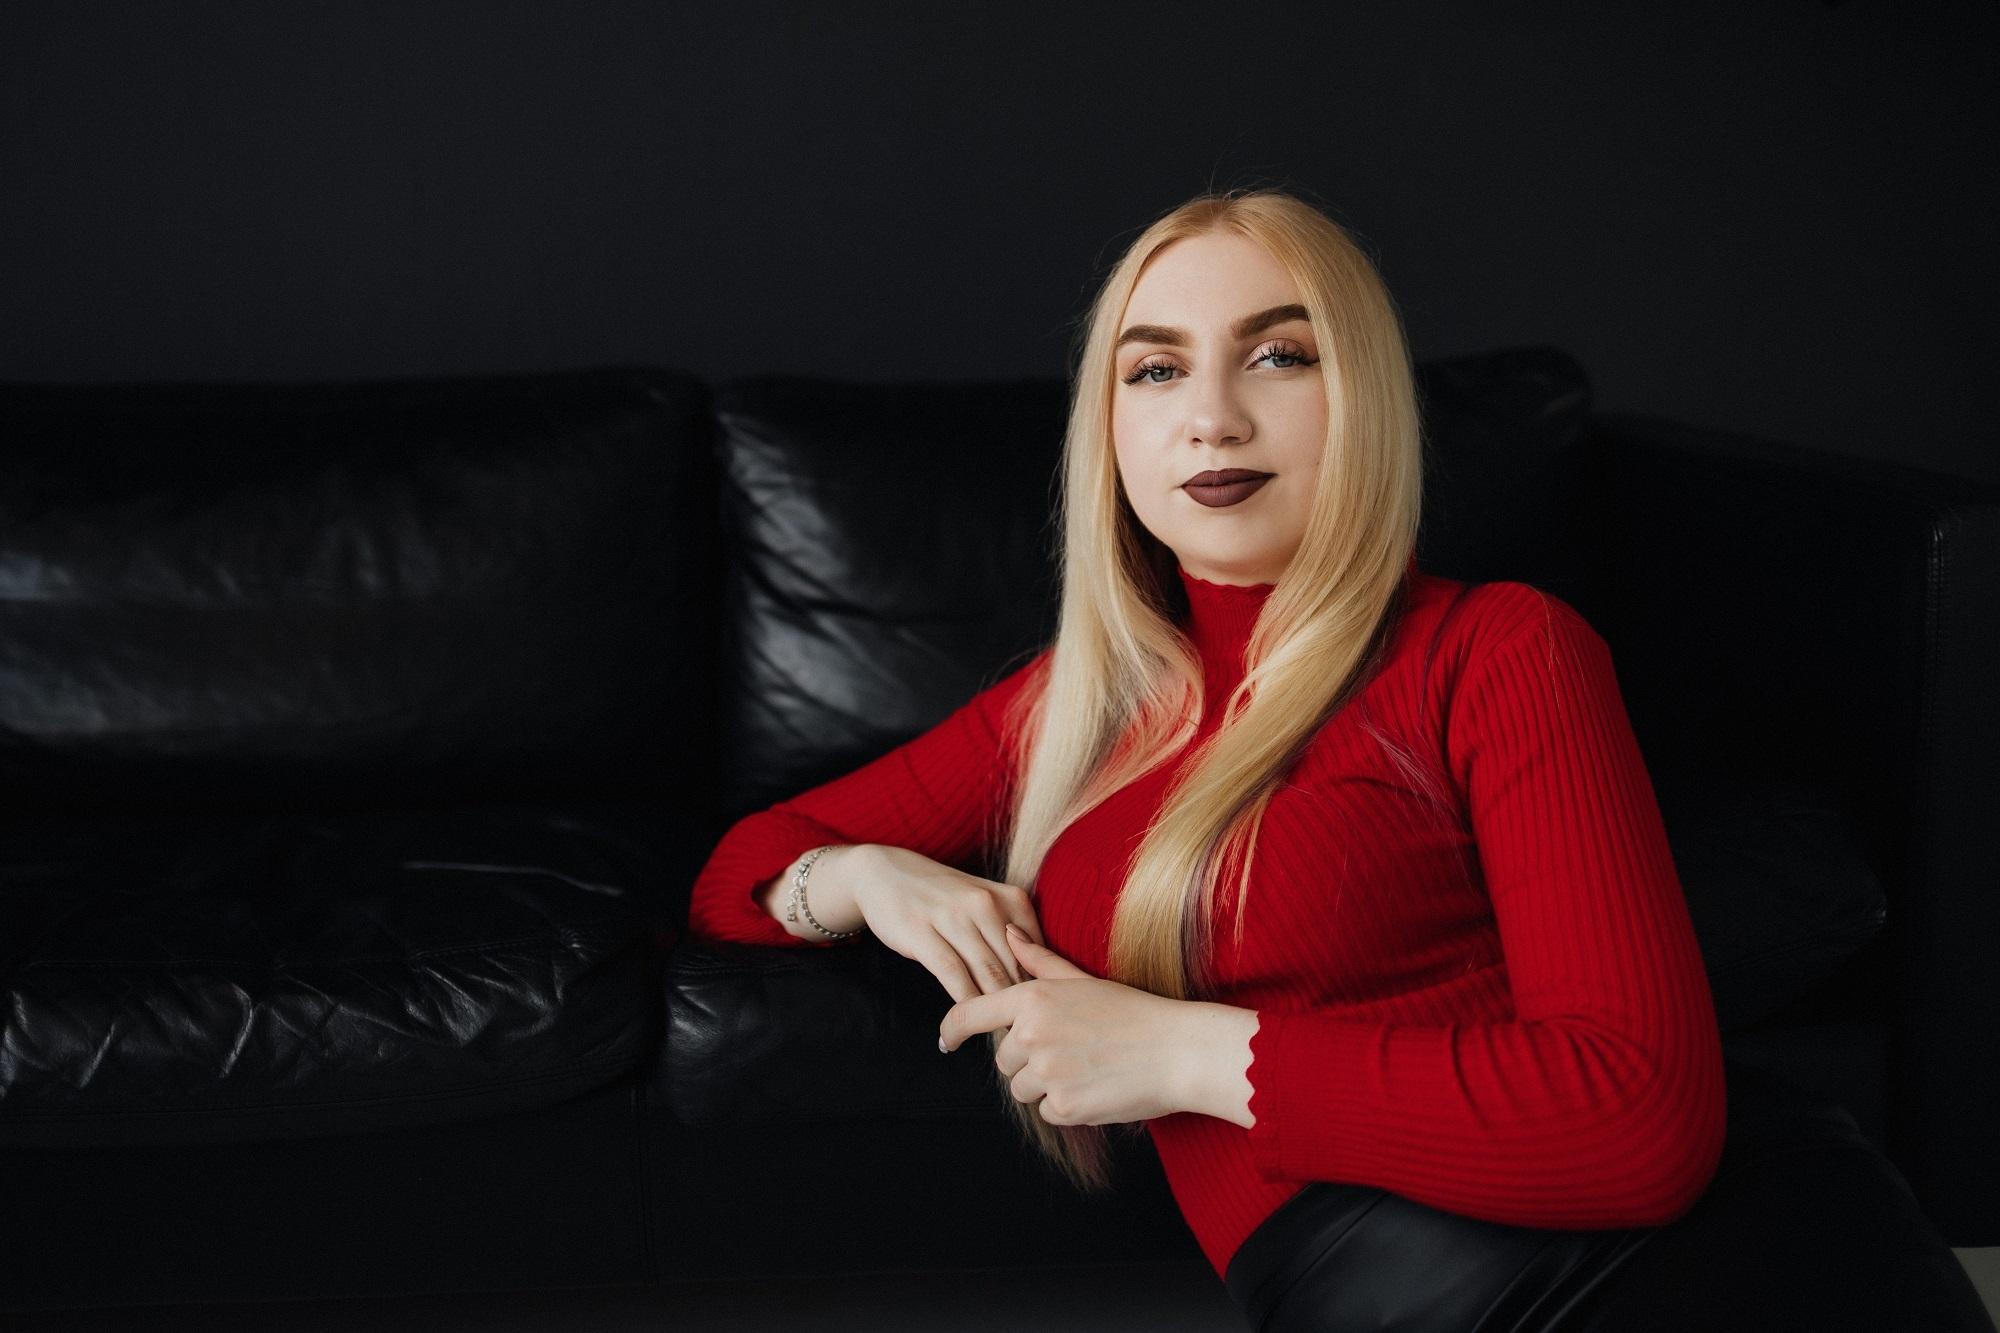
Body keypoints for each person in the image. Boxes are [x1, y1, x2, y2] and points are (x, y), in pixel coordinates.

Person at [686, 188, 1996, 1331]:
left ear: (1359, 397)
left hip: (1696, 1274)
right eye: (1155, 369)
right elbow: (740, 873)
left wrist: (1185, 1056)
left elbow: (1636, 1124)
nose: (1211, 417)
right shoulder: (1073, 709)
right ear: (1109, 429)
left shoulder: (1499, 649)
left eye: (1278, 356)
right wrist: (868, 878)